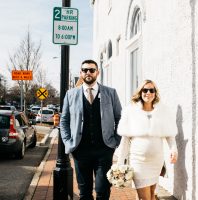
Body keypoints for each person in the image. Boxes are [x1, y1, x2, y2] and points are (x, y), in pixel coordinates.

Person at [60, 59, 122, 200]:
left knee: (103, 190)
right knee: (84, 192)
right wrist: (68, 142)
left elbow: (120, 118)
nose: (88, 72)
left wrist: (116, 141)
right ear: (81, 73)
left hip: (104, 150)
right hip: (80, 151)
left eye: (92, 70)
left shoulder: (110, 93)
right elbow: (64, 121)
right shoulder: (71, 94)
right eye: (85, 70)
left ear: (97, 72)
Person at [117, 79, 178, 200]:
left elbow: (170, 135)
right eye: (145, 90)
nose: (148, 93)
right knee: (144, 198)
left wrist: (174, 149)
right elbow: (124, 140)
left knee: (152, 196)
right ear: (140, 92)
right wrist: (119, 163)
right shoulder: (131, 111)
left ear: (155, 93)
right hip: (138, 162)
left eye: (152, 90)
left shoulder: (162, 111)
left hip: (156, 161)